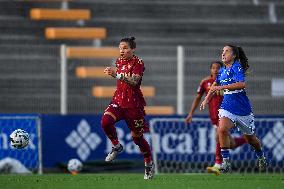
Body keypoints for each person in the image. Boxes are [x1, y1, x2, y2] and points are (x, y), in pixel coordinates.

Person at [200, 45, 267, 173]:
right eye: (222, 51)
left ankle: (261, 156)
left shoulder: (237, 67)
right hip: (227, 105)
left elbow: (241, 84)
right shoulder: (222, 70)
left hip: (242, 108)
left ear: (234, 55)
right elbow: (215, 84)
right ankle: (225, 163)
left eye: (227, 51)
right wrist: (207, 99)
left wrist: (220, 88)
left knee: (250, 139)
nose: (223, 53)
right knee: (222, 129)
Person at [101, 37, 154, 180]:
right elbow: (121, 77)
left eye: (125, 48)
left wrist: (116, 74)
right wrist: (114, 73)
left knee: (137, 138)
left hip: (133, 105)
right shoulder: (119, 61)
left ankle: (148, 164)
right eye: (120, 48)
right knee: (105, 122)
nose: (121, 51)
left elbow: (135, 81)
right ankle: (116, 146)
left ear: (133, 49)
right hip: (118, 101)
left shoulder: (138, 63)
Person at [185, 61, 247, 175]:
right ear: (210, 70)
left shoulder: (227, 81)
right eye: (213, 68)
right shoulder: (205, 82)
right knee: (230, 143)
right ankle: (246, 139)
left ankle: (218, 164)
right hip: (213, 116)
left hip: (226, 114)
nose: (215, 70)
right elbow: (198, 98)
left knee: (219, 136)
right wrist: (190, 113)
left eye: (218, 68)